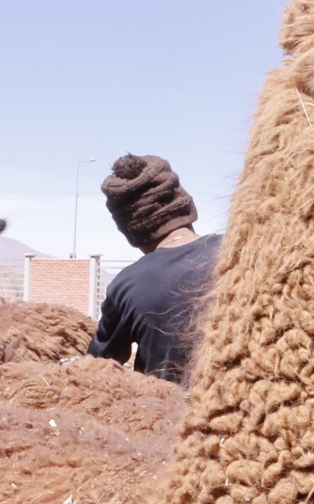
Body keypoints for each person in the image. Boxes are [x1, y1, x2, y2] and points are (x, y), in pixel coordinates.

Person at [89, 154, 222, 384]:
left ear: (130, 229)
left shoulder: (127, 285)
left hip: (165, 415)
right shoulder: (239, 255)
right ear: (184, 203)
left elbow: (98, 366)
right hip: (248, 413)